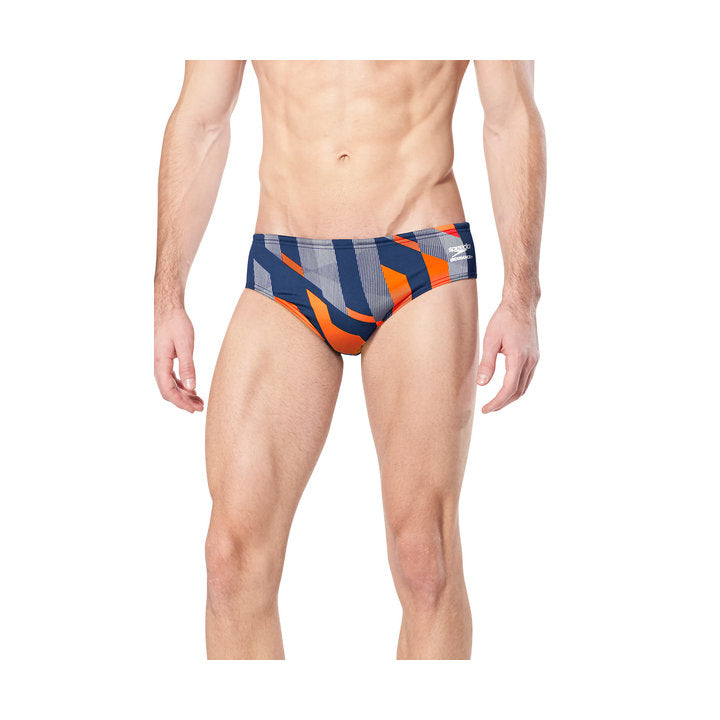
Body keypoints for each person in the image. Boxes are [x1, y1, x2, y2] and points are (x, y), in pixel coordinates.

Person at [154, 60, 545, 660]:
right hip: (285, 264)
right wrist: (168, 299)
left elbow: (510, 114)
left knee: (424, 557)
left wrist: (520, 297)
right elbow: (201, 120)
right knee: (230, 558)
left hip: (421, 256)